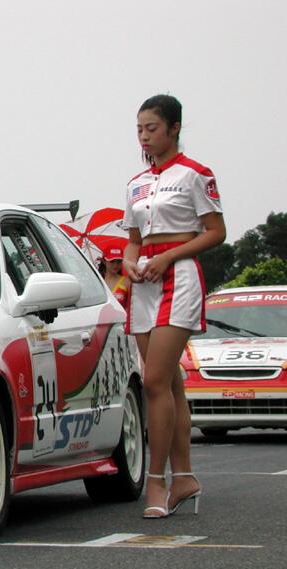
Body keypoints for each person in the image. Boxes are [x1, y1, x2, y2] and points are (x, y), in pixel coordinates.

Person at [121, 94, 225, 519]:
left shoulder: (196, 174)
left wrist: (168, 257)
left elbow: (215, 231)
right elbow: (132, 239)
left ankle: (156, 483)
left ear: (174, 127)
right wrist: (129, 262)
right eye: (139, 129)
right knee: (169, 385)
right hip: (144, 284)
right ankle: (184, 478)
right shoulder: (136, 183)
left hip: (179, 278)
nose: (144, 136)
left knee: (154, 382)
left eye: (152, 128)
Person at [101, 240, 129, 309]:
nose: (115, 265)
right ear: (104, 261)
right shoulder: (97, 282)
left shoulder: (127, 282)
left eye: (119, 261)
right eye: (112, 261)